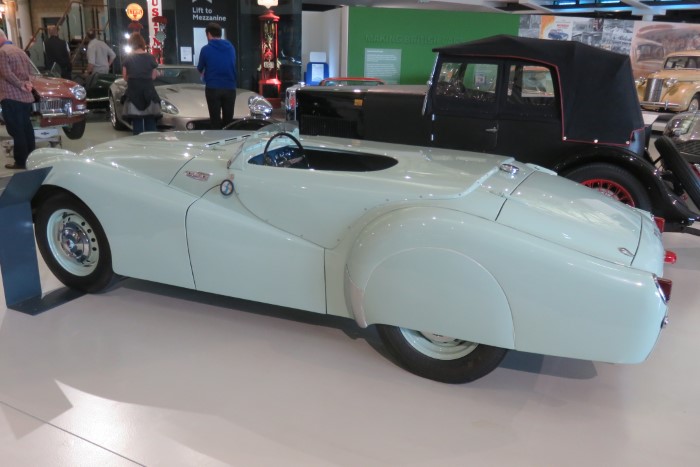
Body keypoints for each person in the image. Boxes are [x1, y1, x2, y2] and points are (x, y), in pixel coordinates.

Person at [0, 29, 36, 170]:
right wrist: (29, 84)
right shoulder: (19, 50)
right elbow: (31, 71)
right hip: (26, 97)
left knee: (17, 130)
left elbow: (6, 74)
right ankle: (31, 158)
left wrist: (21, 85)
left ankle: (21, 161)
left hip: (11, 96)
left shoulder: (2, 52)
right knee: (27, 128)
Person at [197, 22, 237, 129]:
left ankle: (217, 137)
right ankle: (228, 138)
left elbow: (200, 68)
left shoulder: (206, 49)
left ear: (208, 34)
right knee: (228, 121)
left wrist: (205, 75)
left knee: (215, 120)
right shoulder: (231, 47)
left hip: (213, 88)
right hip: (230, 88)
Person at [121, 32, 160, 135]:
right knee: (150, 122)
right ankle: (152, 143)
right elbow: (153, 76)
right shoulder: (150, 57)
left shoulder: (128, 58)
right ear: (142, 43)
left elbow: (125, 77)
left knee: (137, 123)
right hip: (148, 93)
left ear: (131, 44)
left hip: (134, 93)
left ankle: (139, 143)